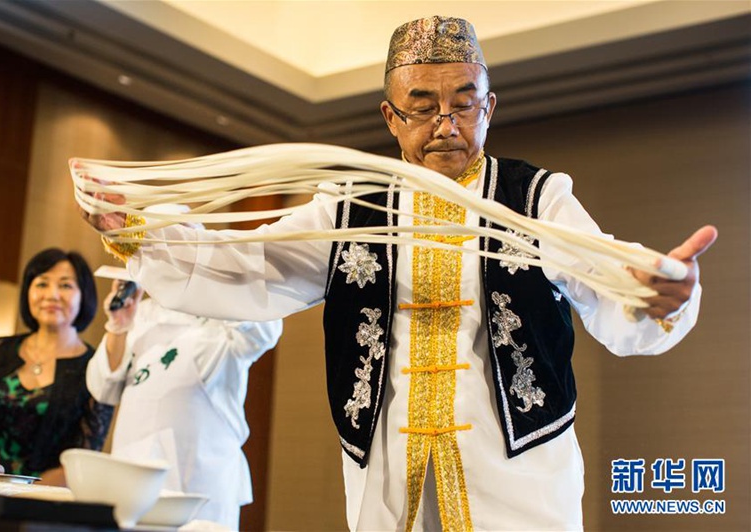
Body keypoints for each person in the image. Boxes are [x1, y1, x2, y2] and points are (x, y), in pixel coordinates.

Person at [79, 16, 718, 531]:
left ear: (489, 107)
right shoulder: (351, 206)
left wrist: (660, 293)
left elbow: (605, 274)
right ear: (390, 117)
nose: (447, 125)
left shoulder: (534, 197)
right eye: (424, 106)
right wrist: (142, 231)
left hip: (517, 468)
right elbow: (254, 262)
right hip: (388, 467)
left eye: (464, 104)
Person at [86, 267, 282, 529]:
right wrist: (119, 325)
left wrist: (220, 282)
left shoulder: (221, 314)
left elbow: (264, 331)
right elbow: (103, 389)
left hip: (201, 479)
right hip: (134, 476)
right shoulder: (142, 313)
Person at [0, 248, 113, 486]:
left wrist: (22, 493)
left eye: (65, 285)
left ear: (84, 296)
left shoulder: (95, 367)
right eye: (42, 283)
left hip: (42, 498)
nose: (52, 295)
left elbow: (86, 455)